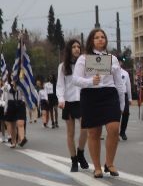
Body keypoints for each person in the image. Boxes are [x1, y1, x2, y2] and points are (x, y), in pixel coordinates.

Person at [71, 29, 124, 177]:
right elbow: (75, 79)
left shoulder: (112, 58)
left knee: (113, 129)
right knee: (94, 132)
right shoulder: (84, 58)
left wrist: (122, 103)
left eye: (103, 37)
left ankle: (110, 163)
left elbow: (119, 83)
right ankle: (97, 167)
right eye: (97, 37)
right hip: (91, 95)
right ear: (91, 40)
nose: (100, 39)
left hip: (109, 94)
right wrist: (89, 81)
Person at [57, 39, 90, 171]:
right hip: (69, 101)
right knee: (70, 133)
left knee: (85, 128)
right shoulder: (63, 66)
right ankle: (74, 160)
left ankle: (80, 152)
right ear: (69, 49)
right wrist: (61, 99)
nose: (77, 49)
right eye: (74, 47)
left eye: (78, 47)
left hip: (82, 101)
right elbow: (60, 85)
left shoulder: (85, 64)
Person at [3, 74, 27, 148]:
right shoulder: (7, 86)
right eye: (12, 75)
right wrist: (5, 108)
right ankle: (14, 142)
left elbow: (24, 95)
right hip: (11, 104)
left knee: (20, 123)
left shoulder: (21, 84)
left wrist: (24, 102)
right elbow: (6, 98)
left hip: (20, 103)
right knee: (13, 125)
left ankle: (22, 139)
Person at [118, 67, 133, 140]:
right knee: (116, 115)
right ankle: (115, 133)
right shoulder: (111, 72)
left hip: (124, 95)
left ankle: (122, 132)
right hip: (114, 94)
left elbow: (128, 85)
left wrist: (130, 98)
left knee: (126, 113)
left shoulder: (125, 73)